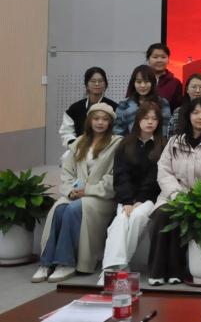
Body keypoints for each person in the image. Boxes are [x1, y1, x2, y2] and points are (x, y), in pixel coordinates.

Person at [33, 103, 121, 283]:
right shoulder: (79, 142)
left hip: (100, 198)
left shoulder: (117, 143)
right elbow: (67, 173)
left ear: (110, 123)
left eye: (105, 119)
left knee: (73, 209)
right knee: (59, 209)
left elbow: (114, 178)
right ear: (89, 121)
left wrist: (87, 190)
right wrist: (70, 191)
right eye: (96, 119)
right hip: (76, 194)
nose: (100, 123)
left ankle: (65, 263)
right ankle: (46, 263)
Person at [147, 97, 201, 285]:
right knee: (162, 215)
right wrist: (176, 193)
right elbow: (164, 171)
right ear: (188, 116)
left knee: (186, 218)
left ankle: (176, 271)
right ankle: (157, 271)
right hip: (175, 195)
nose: (200, 117)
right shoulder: (175, 142)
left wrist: (198, 193)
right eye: (196, 112)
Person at [98, 101, 165, 279]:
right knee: (120, 221)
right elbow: (120, 175)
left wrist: (140, 200)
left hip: (150, 198)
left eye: (154, 119)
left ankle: (116, 269)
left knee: (137, 217)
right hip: (126, 198)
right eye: (146, 118)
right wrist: (127, 201)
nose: (150, 122)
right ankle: (113, 269)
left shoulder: (162, 145)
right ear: (138, 120)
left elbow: (155, 178)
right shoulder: (125, 143)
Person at [59, 67, 117, 152]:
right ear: (86, 84)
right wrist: (76, 145)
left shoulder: (114, 107)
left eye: (100, 81)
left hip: (106, 151)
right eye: (93, 81)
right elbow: (66, 132)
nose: (97, 84)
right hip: (78, 150)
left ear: (105, 84)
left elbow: (117, 131)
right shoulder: (75, 108)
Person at [113, 65, 172, 136]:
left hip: (157, 142)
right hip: (130, 142)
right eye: (139, 82)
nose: (142, 85)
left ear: (153, 83)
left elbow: (165, 129)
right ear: (133, 83)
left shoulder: (162, 103)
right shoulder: (124, 104)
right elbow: (117, 129)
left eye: (146, 81)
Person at [145, 43, 184, 112]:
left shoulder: (175, 83)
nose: (159, 60)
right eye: (155, 57)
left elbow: (178, 109)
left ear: (168, 60)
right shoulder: (141, 80)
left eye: (163, 57)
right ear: (148, 59)